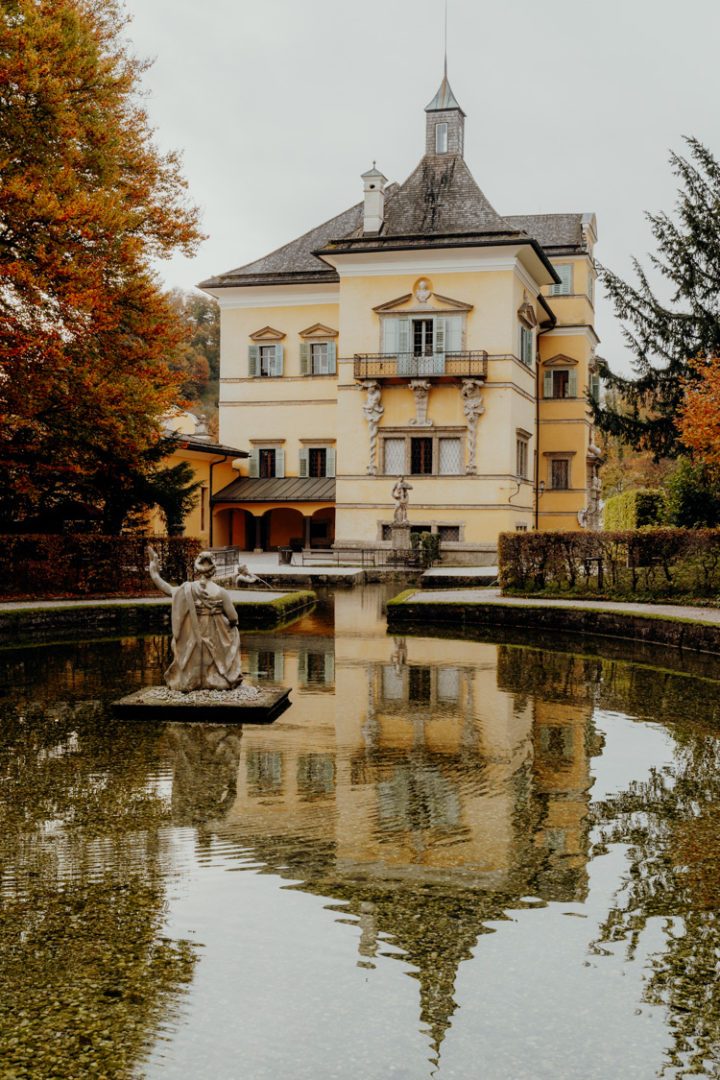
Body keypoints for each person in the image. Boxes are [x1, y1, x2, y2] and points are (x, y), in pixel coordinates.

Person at [147, 547, 242, 691]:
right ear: (214, 569)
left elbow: (168, 589)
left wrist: (154, 574)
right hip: (216, 633)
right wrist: (231, 624)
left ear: (196, 570)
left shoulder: (188, 589)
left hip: (194, 631)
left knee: (196, 652)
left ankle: (193, 680)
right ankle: (216, 678)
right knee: (231, 634)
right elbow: (233, 617)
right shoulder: (221, 593)